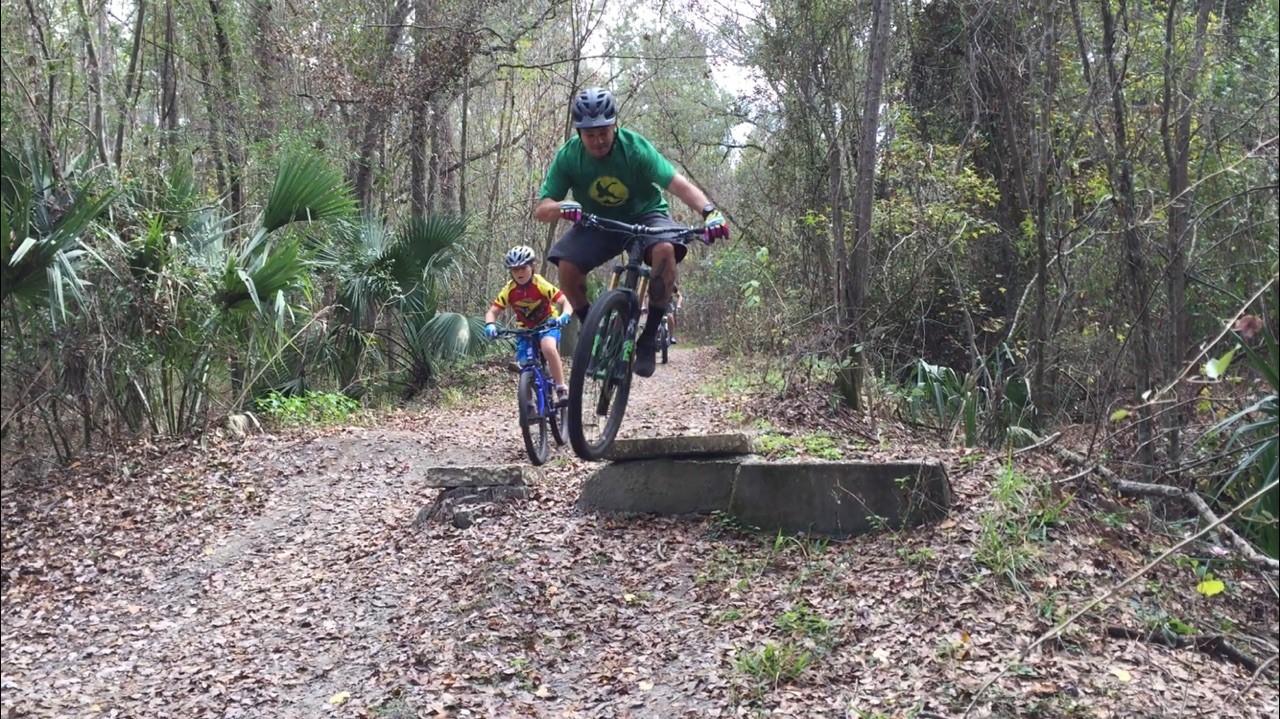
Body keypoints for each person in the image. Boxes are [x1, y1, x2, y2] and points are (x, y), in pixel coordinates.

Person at [532, 87, 729, 378]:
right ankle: (590, 327)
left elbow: (676, 184)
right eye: (590, 135)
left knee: (664, 250)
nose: (598, 140)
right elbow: (542, 209)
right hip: (598, 221)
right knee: (567, 265)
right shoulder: (569, 157)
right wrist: (562, 206)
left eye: (604, 132)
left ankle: (648, 338)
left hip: (647, 214)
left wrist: (709, 211)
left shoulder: (635, 148)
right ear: (579, 133)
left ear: (615, 126)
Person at [483, 245, 573, 403]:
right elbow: (493, 311)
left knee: (548, 347)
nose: (519, 273)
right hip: (525, 330)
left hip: (547, 324)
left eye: (523, 268)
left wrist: (565, 315)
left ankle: (561, 387)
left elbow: (565, 301)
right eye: (515, 269)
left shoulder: (540, 284)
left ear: (532, 267)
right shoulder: (509, 290)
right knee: (524, 364)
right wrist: (490, 324)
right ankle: (528, 401)